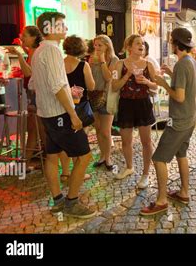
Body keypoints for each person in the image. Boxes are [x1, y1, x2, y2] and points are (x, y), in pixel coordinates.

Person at [29, 11, 95, 218]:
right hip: (59, 114)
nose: (65, 29)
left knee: (51, 157)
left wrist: (66, 90)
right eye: (61, 25)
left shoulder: (39, 51)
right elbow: (57, 85)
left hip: (46, 113)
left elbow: (34, 83)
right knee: (85, 157)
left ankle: (58, 200)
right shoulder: (52, 51)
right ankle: (71, 203)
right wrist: (73, 114)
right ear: (49, 28)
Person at [140, 28, 196, 216]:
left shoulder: (182, 64)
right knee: (181, 154)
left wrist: (163, 84)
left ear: (175, 43)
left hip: (179, 120)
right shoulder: (190, 61)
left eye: (171, 41)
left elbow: (179, 97)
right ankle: (184, 193)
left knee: (158, 159)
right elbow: (186, 85)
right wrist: (171, 74)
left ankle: (162, 200)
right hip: (190, 118)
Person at [111, 34, 157, 189]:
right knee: (126, 141)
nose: (141, 45)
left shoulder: (148, 64)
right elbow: (114, 86)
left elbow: (156, 86)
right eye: (138, 43)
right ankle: (129, 167)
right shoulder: (119, 64)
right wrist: (128, 74)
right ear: (129, 47)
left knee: (146, 141)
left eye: (143, 43)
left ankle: (145, 174)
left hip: (143, 103)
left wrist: (147, 81)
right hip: (126, 104)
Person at [59, 36, 95, 183]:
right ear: (82, 48)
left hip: (62, 106)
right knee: (79, 140)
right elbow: (91, 86)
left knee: (64, 140)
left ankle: (65, 173)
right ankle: (77, 173)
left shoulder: (59, 63)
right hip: (80, 108)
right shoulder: (83, 65)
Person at [7, 26, 45, 163]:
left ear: (34, 37)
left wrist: (18, 55)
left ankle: (37, 158)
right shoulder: (32, 51)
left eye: (25, 35)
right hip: (33, 92)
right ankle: (30, 158)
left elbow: (29, 72)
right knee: (34, 127)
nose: (22, 37)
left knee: (36, 127)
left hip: (36, 93)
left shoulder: (36, 51)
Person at [88, 35, 119, 170]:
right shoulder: (91, 58)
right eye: (95, 45)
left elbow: (108, 77)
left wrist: (101, 62)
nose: (97, 48)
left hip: (107, 98)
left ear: (107, 46)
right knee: (98, 129)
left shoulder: (114, 59)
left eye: (100, 45)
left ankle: (108, 158)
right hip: (93, 96)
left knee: (106, 131)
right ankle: (102, 155)